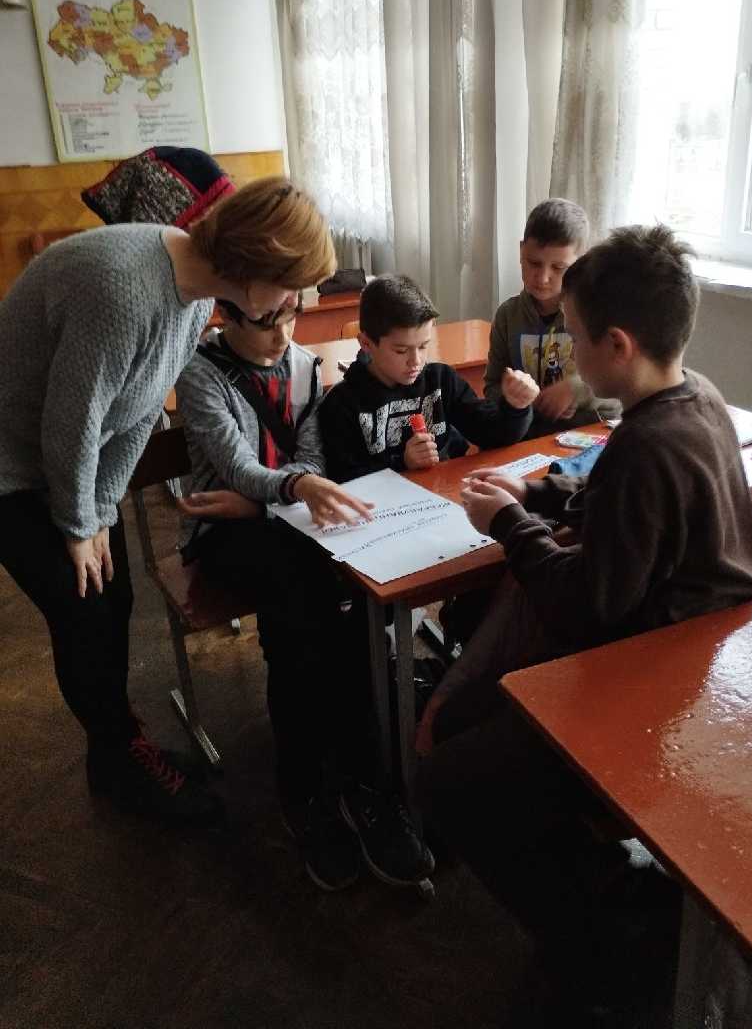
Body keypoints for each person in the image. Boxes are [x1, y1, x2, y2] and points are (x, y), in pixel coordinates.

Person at [416, 225, 752, 1016]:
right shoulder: (693, 396)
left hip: (660, 680)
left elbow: (582, 607)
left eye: (575, 338)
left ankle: (596, 945)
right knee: (472, 714)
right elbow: (617, 503)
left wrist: (509, 526)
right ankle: (603, 885)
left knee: (450, 779)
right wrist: (536, 495)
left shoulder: (646, 443)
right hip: (697, 651)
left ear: (617, 345)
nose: (570, 353)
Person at [0, 172, 333, 825]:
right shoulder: (124, 289)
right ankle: (124, 764)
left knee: (114, 599)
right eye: (290, 285)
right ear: (254, 269)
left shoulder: (193, 292)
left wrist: (99, 508)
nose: (294, 301)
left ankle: (114, 752)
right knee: (83, 611)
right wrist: (79, 523)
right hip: (12, 467)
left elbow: (135, 415)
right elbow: (73, 421)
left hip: (67, 458)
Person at [174, 291, 436, 892]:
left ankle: (363, 781)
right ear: (226, 315)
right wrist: (277, 496)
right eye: (266, 322)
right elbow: (239, 468)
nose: (283, 334)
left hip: (283, 518)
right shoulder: (200, 374)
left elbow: (313, 459)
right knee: (300, 611)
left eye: (290, 317)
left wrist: (265, 502)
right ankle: (307, 789)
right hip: (224, 534)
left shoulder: (303, 365)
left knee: (347, 607)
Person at [318, 274, 540, 484]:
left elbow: (491, 434)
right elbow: (340, 477)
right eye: (401, 350)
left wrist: (516, 407)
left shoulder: (441, 380)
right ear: (366, 344)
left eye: (424, 346)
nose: (416, 361)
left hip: (443, 493)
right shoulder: (342, 403)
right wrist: (402, 463)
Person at [483, 197, 621, 437]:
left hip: (589, 434)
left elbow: (621, 383)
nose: (543, 277)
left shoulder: (598, 313)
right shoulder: (508, 316)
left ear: (581, 263)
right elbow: (492, 387)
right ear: (521, 251)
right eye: (534, 263)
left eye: (558, 268)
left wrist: (576, 390)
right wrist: (513, 397)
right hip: (530, 437)